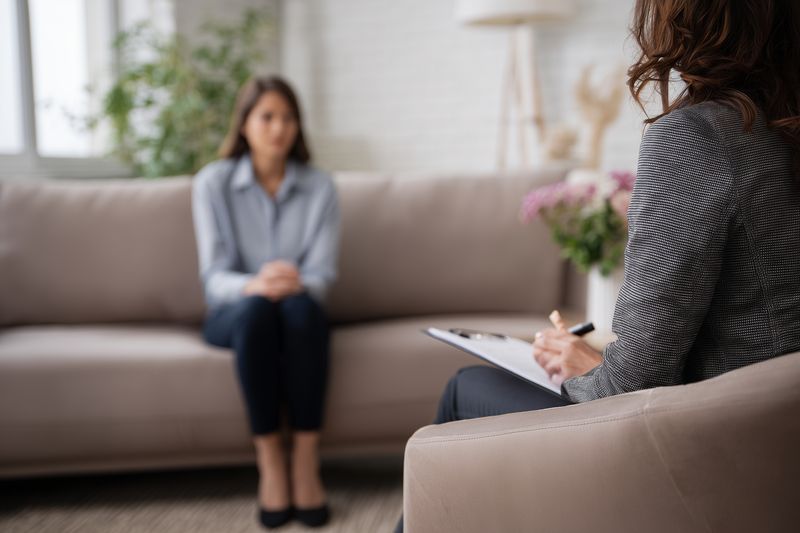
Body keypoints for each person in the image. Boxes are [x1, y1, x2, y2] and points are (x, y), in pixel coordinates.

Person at [396, 0, 800, 530]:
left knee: (464, 387)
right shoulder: (783, 133)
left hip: (695, 448)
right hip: (775, 448)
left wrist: (586, 364)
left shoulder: (695, 137)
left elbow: (633, 381)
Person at [192, 76, 339, 529]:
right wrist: (255, 284)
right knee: (258, 311)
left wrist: (290, 282)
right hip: (235, 311)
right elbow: (214, 277)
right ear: (244, 125)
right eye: (267, 117)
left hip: (298, 307)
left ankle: (305, 461)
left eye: (288, 118)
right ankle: (271, 461)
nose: (279, 128)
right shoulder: (212, 183)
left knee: (300, 309)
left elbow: (323, 275)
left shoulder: (320, 187)